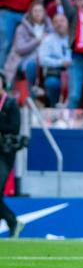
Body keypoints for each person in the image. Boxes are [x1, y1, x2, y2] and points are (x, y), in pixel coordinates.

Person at [0, 72, 24, 237]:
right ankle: (12, 222)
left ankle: (12, 221)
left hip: (4, 153)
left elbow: (14, 128)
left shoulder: (10, 104)